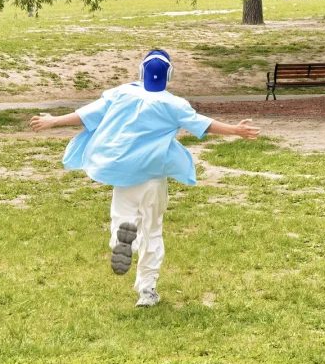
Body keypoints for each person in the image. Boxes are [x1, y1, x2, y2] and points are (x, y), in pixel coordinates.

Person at [30, 49, 257, 308]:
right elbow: (203, 124)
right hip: (154, 176)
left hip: (124, 173)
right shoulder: (173, 104)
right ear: (169, 75)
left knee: (122, 218)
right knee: (153, 229)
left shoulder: (121, 93)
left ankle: (122, 240)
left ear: (141, 71)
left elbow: (87, 114)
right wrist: (235, 130)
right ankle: (147, 291)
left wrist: (53, 120)